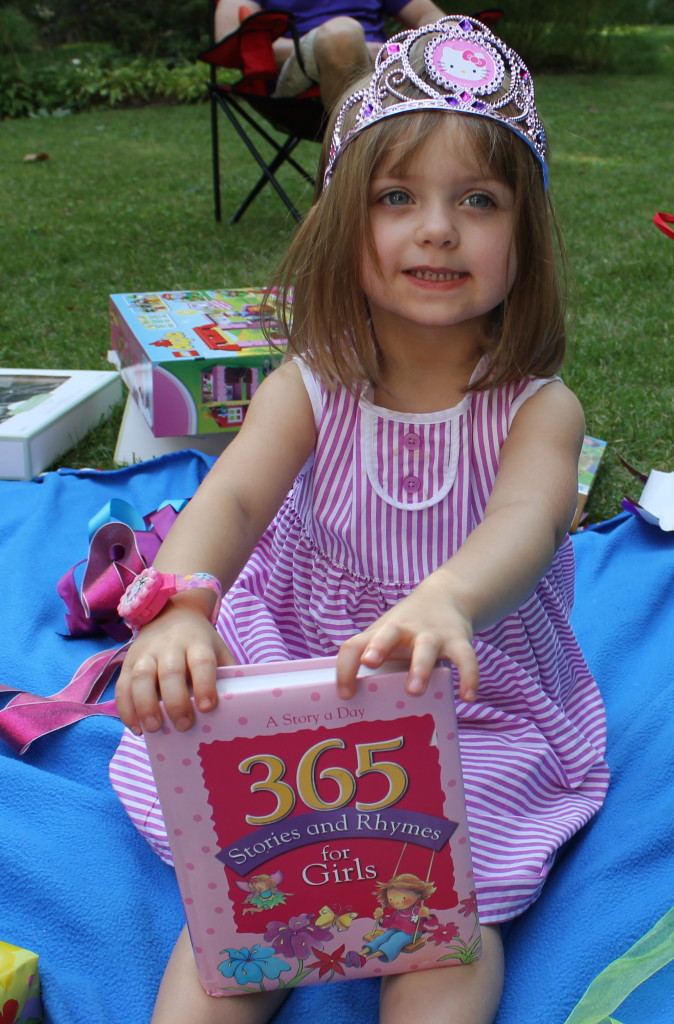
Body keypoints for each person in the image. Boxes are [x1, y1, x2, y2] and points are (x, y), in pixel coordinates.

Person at [112, 15, 610, 1024]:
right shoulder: (311, 384)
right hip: (299, 670)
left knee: (447, 906)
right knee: (244, 901)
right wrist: (181, 606)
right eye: (396, 197)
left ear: (525, 233)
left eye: (479, 199)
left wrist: (449, 598)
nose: (437, 228)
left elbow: (526, 523)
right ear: (346, 221)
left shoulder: (537, 409)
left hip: (465, 693)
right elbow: (231, 498)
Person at [214, 0, 445, 110]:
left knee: (447, 34)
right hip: (301, 72)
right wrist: (349, 47)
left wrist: (425, 41)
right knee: (341, 35)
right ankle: (354, 167)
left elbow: (429, 15)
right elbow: (231, 39)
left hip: (385, 67)